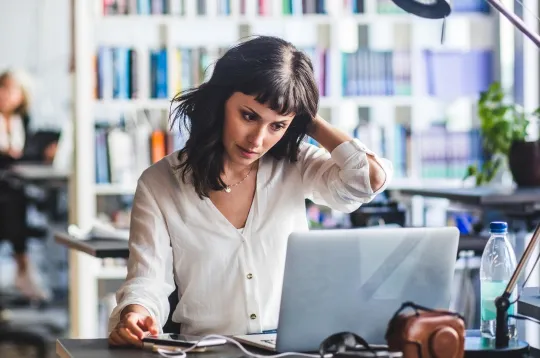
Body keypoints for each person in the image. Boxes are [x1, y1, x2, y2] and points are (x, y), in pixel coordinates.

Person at [107, 36, 393, 348]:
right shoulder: (160, 183)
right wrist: (135, 313)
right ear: (220, 102)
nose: (257, 139)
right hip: (209, 351)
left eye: (277, 126)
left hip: (294, 349)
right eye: (249, 116)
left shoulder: (295, 162)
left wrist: (307, 119)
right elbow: (147, 280)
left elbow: (366, 180)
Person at [0, 70, 49, 301]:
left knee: (14, 200)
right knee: (12, 203)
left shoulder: (24, 120)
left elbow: (27, 153)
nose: (6, 95)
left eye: (12, 90)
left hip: (12, 188)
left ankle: (23, 266)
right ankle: (23, 265)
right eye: (3, 87)